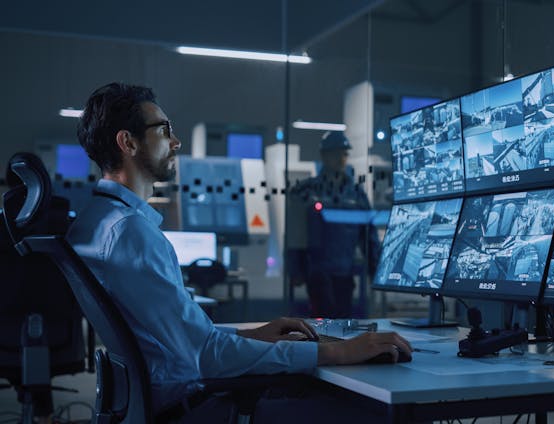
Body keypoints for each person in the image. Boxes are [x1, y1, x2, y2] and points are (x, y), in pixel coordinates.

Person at [68, 82, 411, 421]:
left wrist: (254, 335)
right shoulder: (131, 233)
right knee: (371, 411)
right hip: (197, 404)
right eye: (163, 130)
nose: (175, 142)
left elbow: (186, 339)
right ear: (127, 142)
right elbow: (205, 355)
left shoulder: (97, 222)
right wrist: (335, 351)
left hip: (163, 397)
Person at [288, 132, 380, 318]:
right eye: (335, 153)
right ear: (324, 156)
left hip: (344, 272)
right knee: (322, 321)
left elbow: (369, 234)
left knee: (343, 319)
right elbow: (295, 234)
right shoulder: (307, 190)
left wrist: (375, 268)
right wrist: (295, 269)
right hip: (317, 271)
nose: (341, 158)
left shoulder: (356, 194)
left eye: (344, 154)